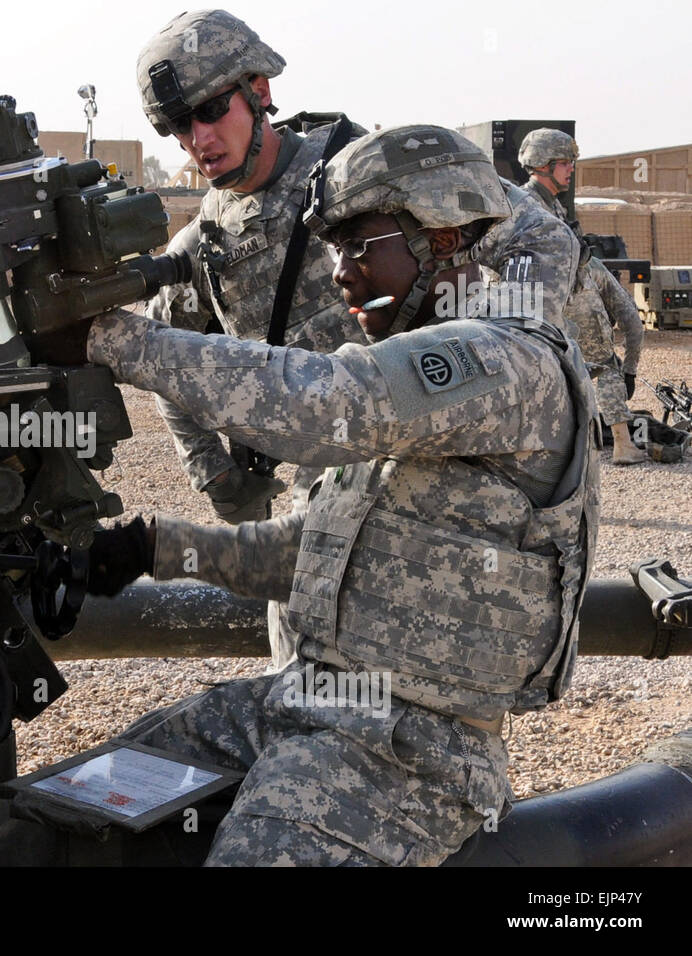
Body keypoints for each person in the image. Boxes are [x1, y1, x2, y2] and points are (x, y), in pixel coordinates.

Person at [83, 125, 600, 866]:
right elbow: (310, 556)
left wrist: (112, 340)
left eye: (361, 245)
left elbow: (324, 404)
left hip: (415, 752)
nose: (340, 275)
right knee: (80, 806)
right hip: (310, 706)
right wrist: (155, 546)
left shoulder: (505, 361)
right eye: (332, 251)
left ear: (445, 237)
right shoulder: (412, 385)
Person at [135, 8, 367, 524]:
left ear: (258, 92)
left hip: (409, 435)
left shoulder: (354, 170)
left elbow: (519, 230)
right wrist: (213, 471)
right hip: (321, 468)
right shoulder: (204, 240)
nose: (199, 139)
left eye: (213, 109)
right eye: (179, 124)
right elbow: (161, 352)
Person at [518, 127, 646, 464]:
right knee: (602, 365)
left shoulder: (545, 203)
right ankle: (621, 444)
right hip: (564, 299)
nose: (571, 168)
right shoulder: (530, 205)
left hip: (554, 298)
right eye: (565, 162)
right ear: (544, 164)